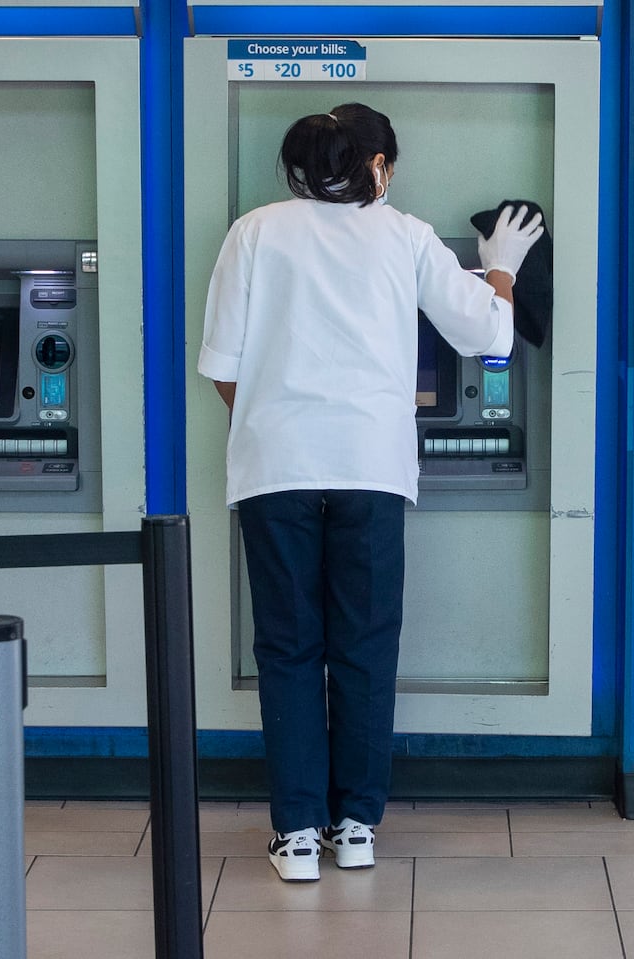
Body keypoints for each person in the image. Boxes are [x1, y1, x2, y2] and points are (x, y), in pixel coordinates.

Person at [197, 103, 543, 882]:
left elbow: (222, 365)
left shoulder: (254, 232)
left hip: (275, 469)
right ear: (379, 166)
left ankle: (295, 836)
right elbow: (490, 335)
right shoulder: (406, 236)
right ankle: (355, 826)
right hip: (373, 469)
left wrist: (273, 424)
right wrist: (501, 267)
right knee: (364, 645)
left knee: (287, 647)